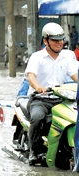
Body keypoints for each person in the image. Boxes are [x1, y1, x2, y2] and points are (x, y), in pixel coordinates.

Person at [25, 22, 78, 165]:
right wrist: (38, 87)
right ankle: (34, 151)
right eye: (55, 40)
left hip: (61, 99)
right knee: (37, 118)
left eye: (61, 39)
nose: (59, 43)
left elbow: (75, 75)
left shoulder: (66, 58)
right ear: (45, 40)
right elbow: (31, 76)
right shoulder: (37, 57)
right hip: (40, 99)